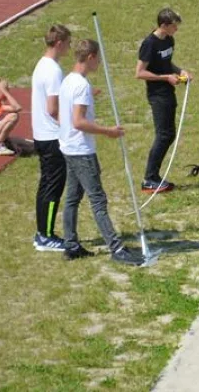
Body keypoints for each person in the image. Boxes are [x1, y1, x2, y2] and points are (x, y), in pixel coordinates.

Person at [59, 39, 144, 266]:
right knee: (98, 200)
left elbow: (68, 113)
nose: (100, 62)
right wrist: (108, 131)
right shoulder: (81, 86)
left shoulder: (69, 80)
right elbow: (78, 121)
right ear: (90, 57)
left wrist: (89, 96)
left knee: (72, 198)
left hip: (68, 147)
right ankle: (116, 248)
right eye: (98, 58)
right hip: (80, 150)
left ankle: (71, 244)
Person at [135, 8, 192, 194]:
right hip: (157, 95)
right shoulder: (149, 44)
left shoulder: (169, 40)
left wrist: (180, 71)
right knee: (163, 135)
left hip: (168, 92)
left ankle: (154, 176)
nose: (176, 29)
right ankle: (149, 179)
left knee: (169, 134)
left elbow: (168, 64)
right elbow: (140, 72)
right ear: (164, 25)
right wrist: (165, 77)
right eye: (174, 26)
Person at [31, 24, 72, 251]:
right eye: (68, 43)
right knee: (53, 187)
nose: (69, 47)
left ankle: (42, 233)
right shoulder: (53, 70)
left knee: (46, 184)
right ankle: (46, 236)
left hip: (42, 135)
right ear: (59, 43)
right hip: (52, 137)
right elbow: (53, 108)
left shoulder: (42, 65)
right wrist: (70, 127)